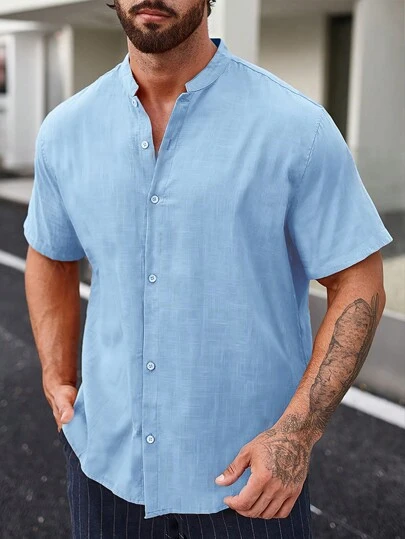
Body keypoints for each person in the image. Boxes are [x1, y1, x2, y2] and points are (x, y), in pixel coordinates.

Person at [23, 0, 393, 537]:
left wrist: (296, 435)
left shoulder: (296, 127)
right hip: (104, 469)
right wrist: (57, 374)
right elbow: (51, 253)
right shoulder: (66, 130)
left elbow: (359, 282)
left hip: (248, 482)